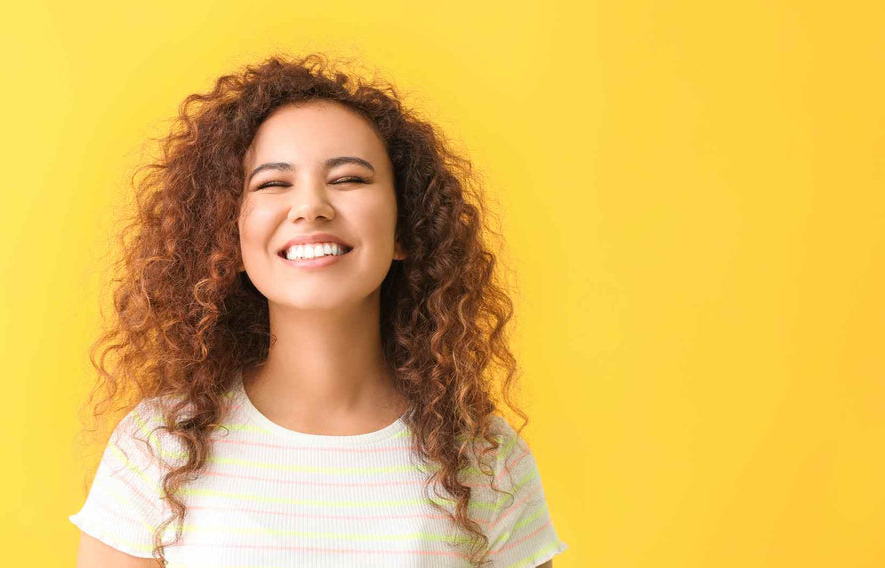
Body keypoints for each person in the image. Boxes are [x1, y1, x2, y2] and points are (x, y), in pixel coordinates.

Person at [69, 53, 568, 568]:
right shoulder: (158, 448)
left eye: (349, 179)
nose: (310, 206)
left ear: (405, 228)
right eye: (272, 183)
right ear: (228, 234)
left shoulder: (486, 461)